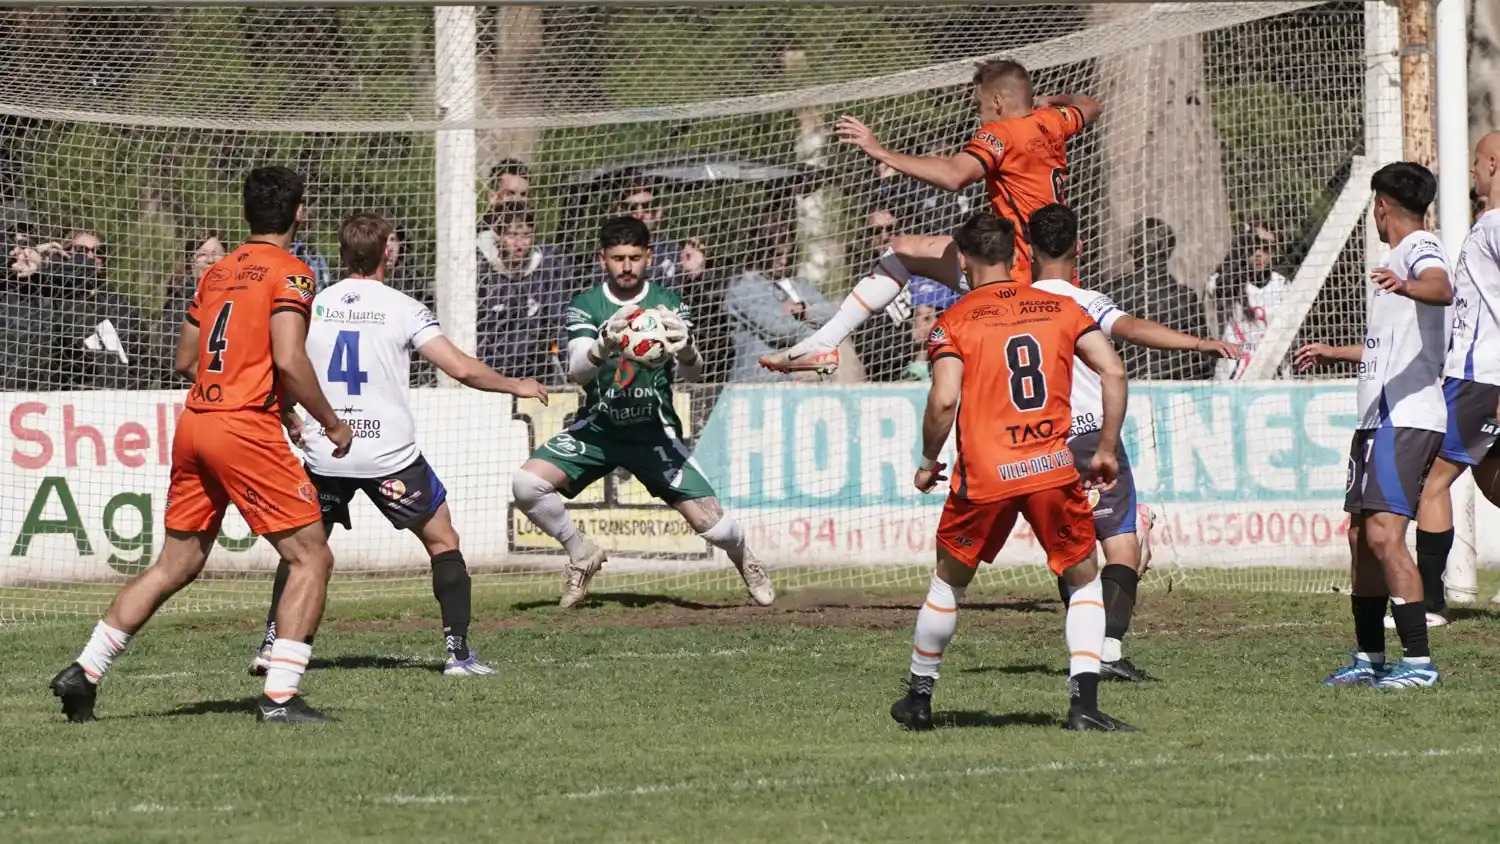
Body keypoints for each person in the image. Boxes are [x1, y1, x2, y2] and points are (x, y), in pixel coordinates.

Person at [48, 166, 354, 724]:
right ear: (300, 213)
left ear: (245, 215)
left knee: (177, 563)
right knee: (311, 556)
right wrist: (329, 422)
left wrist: (262, 391)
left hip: (197, 422)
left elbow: (185, 361)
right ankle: (281, 697)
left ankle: (85, 671)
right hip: (243, 428)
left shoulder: (217, 273)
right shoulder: (293, 272)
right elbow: (289, 357)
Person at [248, 213, 549, 678]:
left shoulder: (313, 303)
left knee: (303, 552)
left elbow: (282, 364)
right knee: (443, 539)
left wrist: (289, 414)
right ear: (388, 250)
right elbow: (461, 369)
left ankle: (272, 645)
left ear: (344, 252)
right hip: (386, 455)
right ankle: (459, 654)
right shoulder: (404, 307)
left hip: (327, 450)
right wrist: (516, 384)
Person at [890, 211, 1134, 732]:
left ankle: (918, 697)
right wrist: (1107, 448)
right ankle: (1084, 706)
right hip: (1051, 467)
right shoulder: (1058, 307)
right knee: (1083, 579)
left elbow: (945, 399)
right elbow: (1113, 368)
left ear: (963, 258)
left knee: (949, 583)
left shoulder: (954, 319)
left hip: (985, 474)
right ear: (1015, 256)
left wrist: (929, 461)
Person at [760, 59, 1099, 375]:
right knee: (905, 250)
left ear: (997, 102)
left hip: (1014, 274)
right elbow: (1090, 105)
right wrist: (1052, 98)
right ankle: (823, 344)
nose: (978, 117)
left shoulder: (1000, 134)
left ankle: (825, 343)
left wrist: (881, 152)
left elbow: (954, 175)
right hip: (1056, 274)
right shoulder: (1053, 122)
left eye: (979, 106)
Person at [510, 216, 775, 608]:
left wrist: (686, 349)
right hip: (599, 430)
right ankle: (581, 551)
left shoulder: (668, 302)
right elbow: (577, 369)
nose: (627, 266)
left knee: (717, 529)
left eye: (635, 257)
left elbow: (694, 373)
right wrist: (604, 344)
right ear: (603, 259)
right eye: (618, 258)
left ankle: (746, 560)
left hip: (654, 433)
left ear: (648, 257)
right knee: (526, 486)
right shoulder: (587, 304)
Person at [1027, 204, 1240, 680]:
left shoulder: (1016, 304)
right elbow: (1134, 330)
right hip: (1087, 435)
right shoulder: (1084, 302)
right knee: (1121, 545)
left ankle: (1085, 653)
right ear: (1079, 248)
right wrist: (1200, 343)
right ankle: (1109, 653)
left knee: (1071, 549)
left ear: (1029, 250)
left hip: (1038, 441)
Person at [1294, 161, 1452, 689]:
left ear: (1382, 206)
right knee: (1362, 537)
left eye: (1374, 209)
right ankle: (1368, 658)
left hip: (1405, 418)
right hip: (1377, 419)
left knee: (1385, 534)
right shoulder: (1395, 262)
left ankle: (1419, 664)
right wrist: (1333, 351)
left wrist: (1408, 285)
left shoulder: (1418, 249)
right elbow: (1389, 348)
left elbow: (1440, 285)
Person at [1406, 131, 1500, 628]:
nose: (1471, 172)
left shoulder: (1496, 227)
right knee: (1492, 484)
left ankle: (1429, 603)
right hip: (1482, 376)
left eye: (1476, 162)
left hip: (1479, 378)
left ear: (1493, 163)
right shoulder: (1486, 226)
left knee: (1431, 483)